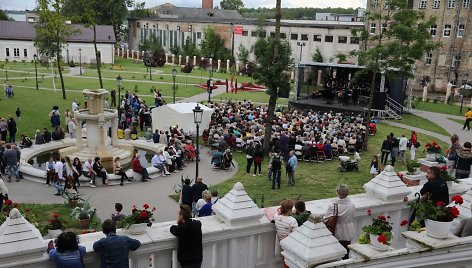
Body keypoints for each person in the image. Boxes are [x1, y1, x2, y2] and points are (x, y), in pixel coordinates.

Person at [324, 184, 355, 260]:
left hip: (337, 232)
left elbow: (325, 219)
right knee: (346, 254)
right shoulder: (351, 204)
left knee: (337, 256)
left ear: (337, 192)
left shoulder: (334, 205)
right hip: (349, 231)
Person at [274, 199, 298, 268]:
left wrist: (279, 211)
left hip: (282, 242)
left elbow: (277, 211)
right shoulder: (292, 220)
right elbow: (296, 234)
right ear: (290, 210)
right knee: (291, 261)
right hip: (291, 244)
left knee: (284, 259)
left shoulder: (276, 217)